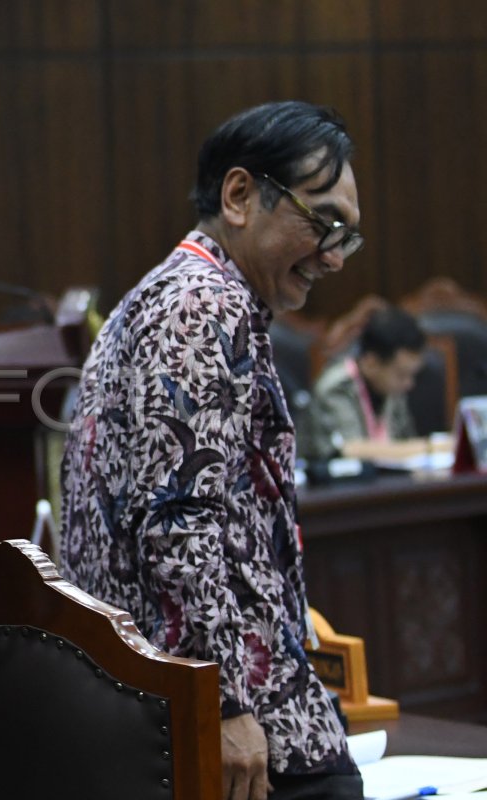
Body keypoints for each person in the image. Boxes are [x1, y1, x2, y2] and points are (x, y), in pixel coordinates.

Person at [60, 101, 364, 800]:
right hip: (200, 708)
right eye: (322, 223)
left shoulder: (175, 291)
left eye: (348, 236)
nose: (334, 257)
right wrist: (221, 704)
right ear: (239, 196)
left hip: (163, 700)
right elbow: (179, 524)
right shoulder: (203, 305)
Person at [304, 305, 426, 460]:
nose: (409, 384)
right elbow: (351, 449)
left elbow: (405, 441)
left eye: (411, 375)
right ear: (371, 363)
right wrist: (428, 448)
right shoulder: (337, 387)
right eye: (401, 375)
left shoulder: (389, 389)